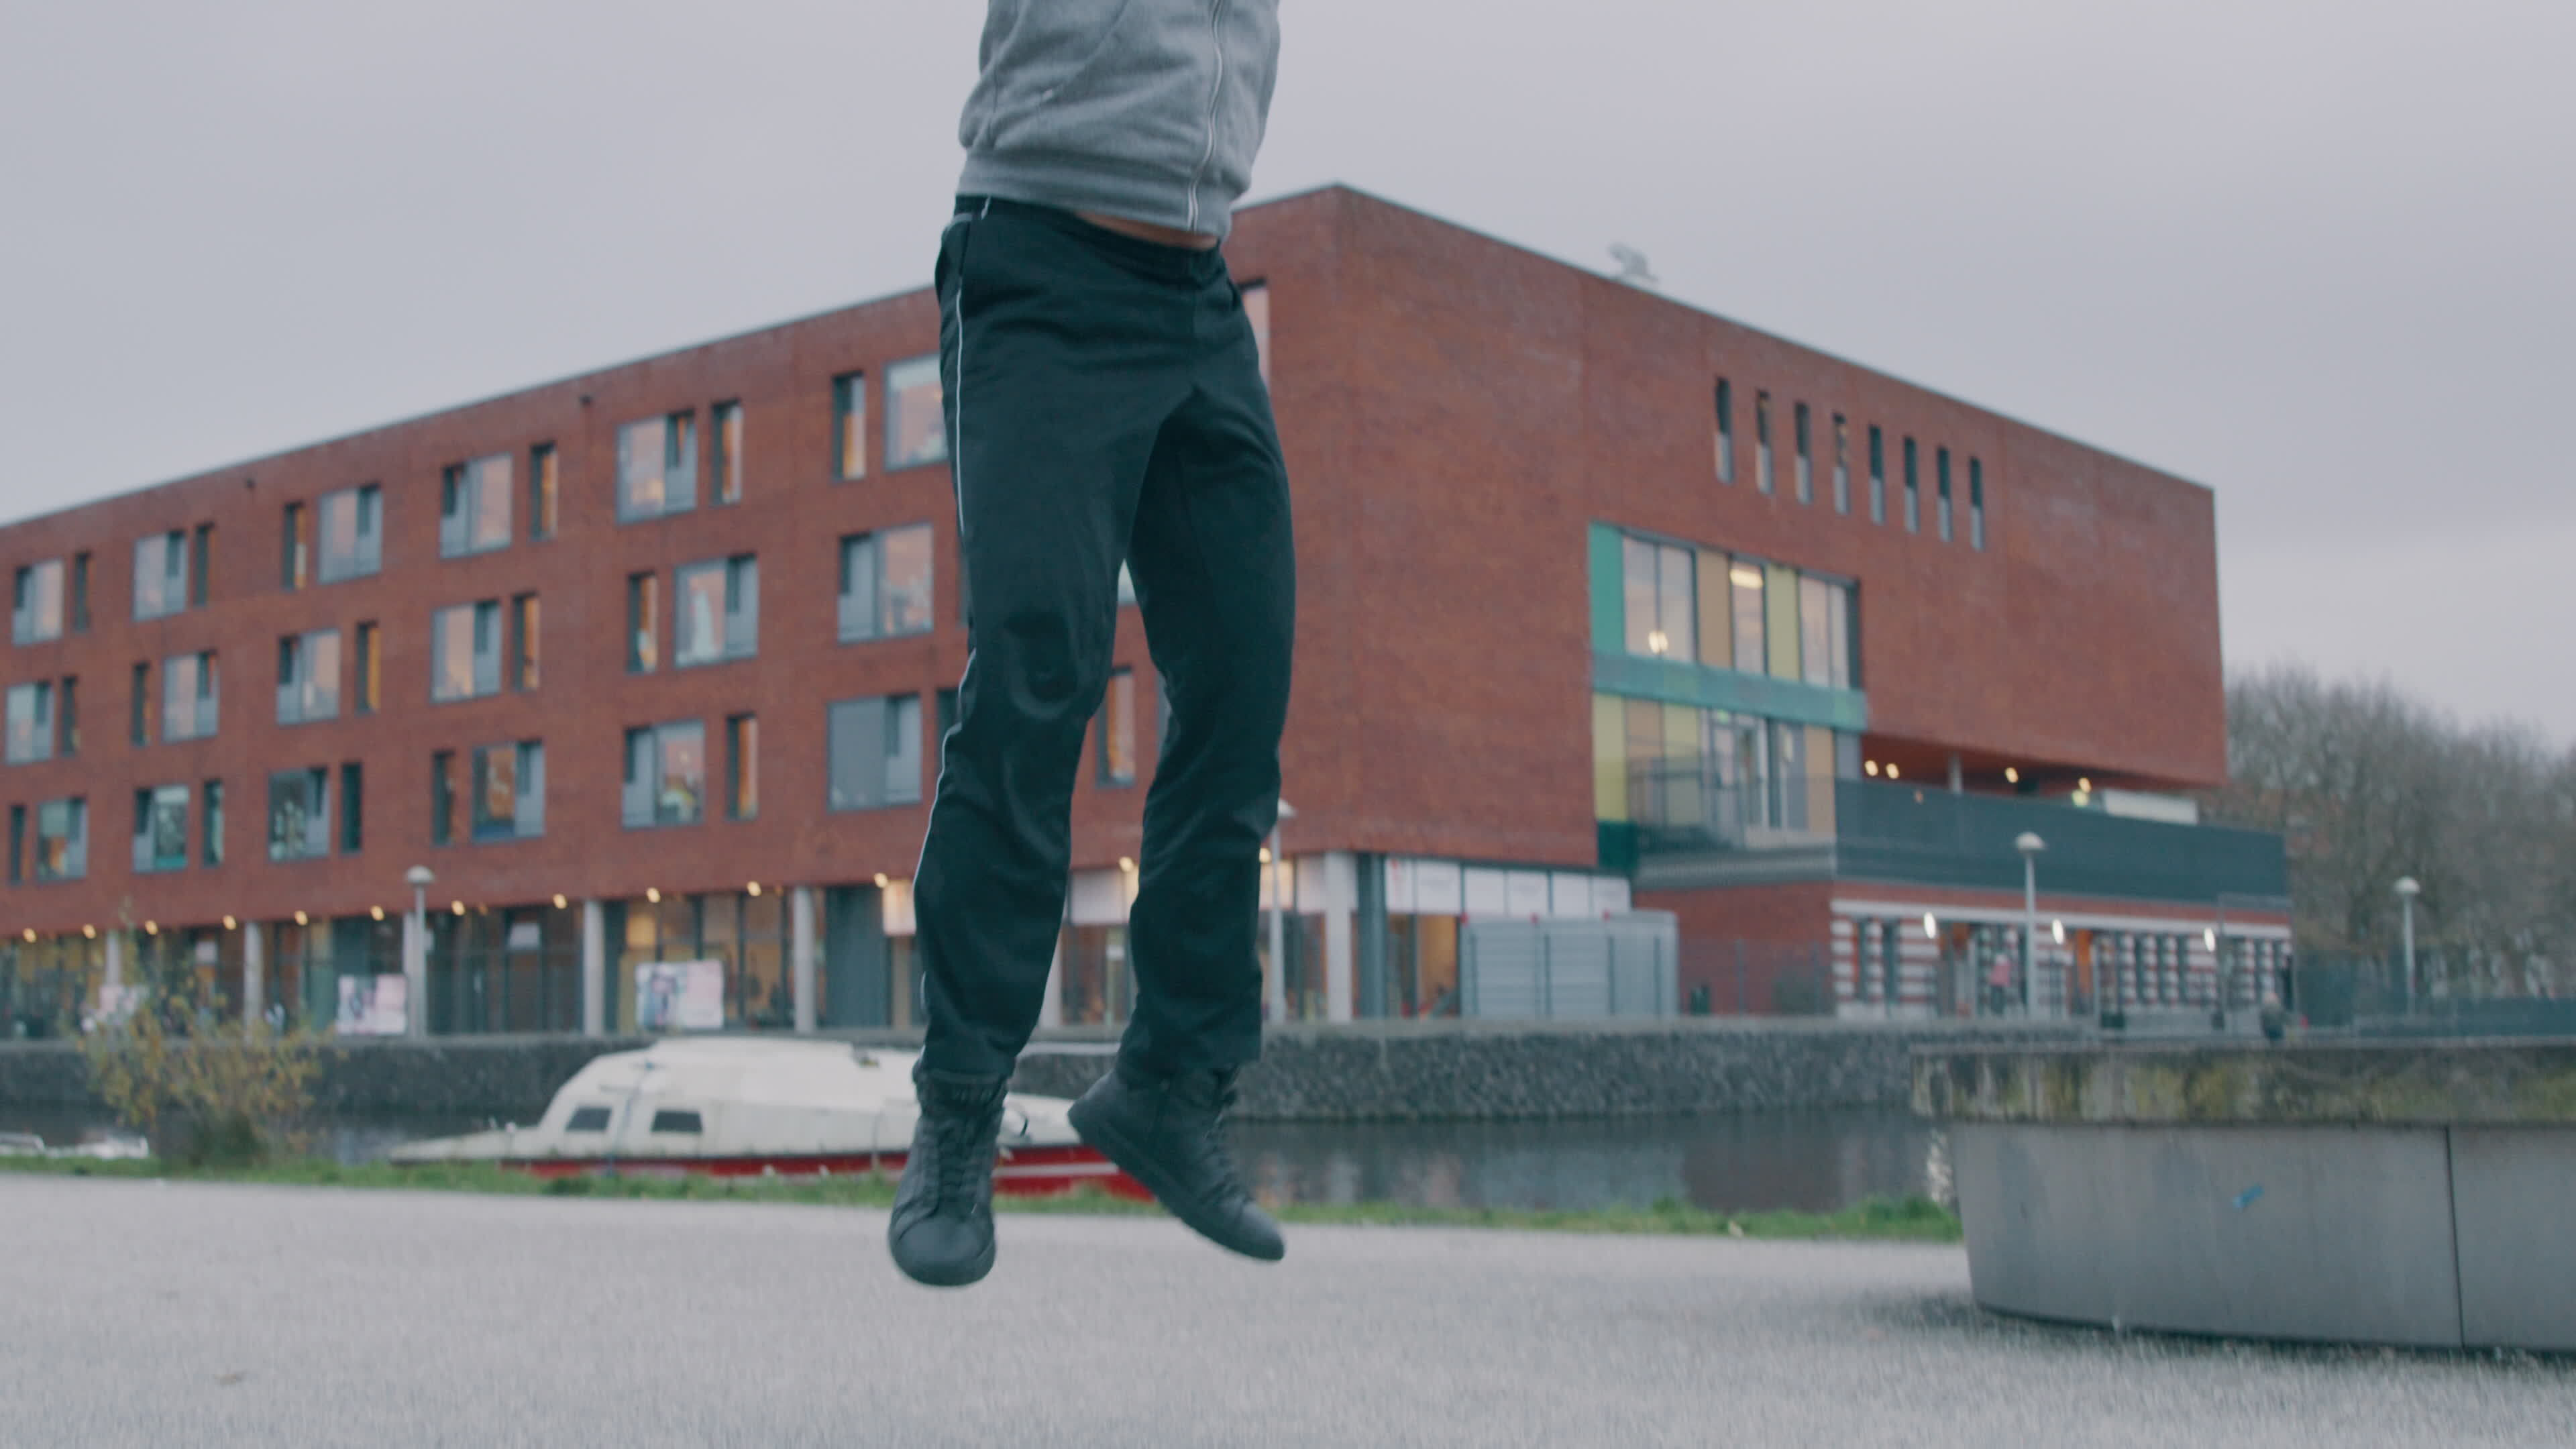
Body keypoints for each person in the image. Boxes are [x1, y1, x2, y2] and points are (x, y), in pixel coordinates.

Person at [887, 0, 1293, 1289]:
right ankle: (958, 1109)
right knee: (1036, 671)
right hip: (1040, 269)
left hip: (1196, 288)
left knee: (1241, 683)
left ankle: (1170, 1087)